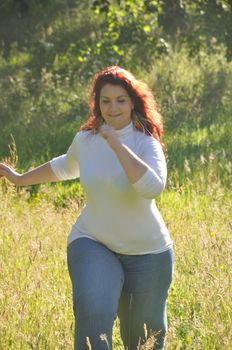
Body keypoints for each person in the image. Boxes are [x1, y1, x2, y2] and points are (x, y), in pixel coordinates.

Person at [0, 66, 174, 350]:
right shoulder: (86, 140)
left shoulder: (146, 144)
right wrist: (19, 179)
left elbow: (151, 188)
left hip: (148, 253)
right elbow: (65, 166)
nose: (113, 108)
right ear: (97, 103)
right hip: (93, 241)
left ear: (133, 102)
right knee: (93, 317)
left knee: (144, 339)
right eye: (105, 100)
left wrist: (117, 145)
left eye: (120, 100)